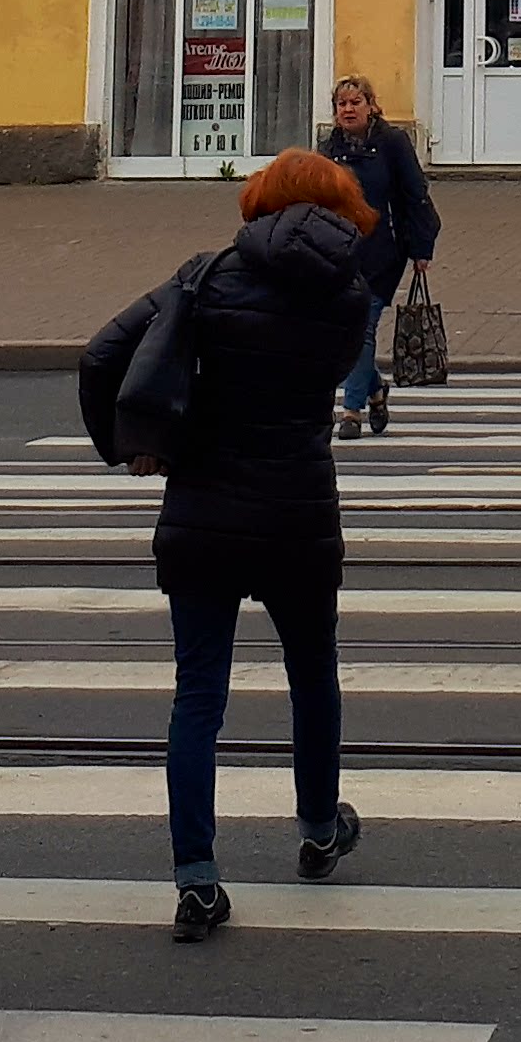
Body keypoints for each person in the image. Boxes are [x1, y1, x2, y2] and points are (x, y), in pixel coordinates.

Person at [80, 145, 373, 940]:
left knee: (198, 697)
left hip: (202, 511)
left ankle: (198, 879)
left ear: (259, 200)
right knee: (313, 676)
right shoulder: (350, 298)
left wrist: (135, 442)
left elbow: (103, 353)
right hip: (299, 513)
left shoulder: (205, 276)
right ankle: (318, 830)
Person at [320, 74, 440, 440]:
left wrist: (421, 249)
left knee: (364, 326)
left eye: (356, 102)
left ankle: (351, 411)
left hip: (383, 253)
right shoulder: (328, 149)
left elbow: (415, 195)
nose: (348, 109)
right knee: (345, 333)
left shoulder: (392, 143)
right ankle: (375, 389)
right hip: (340, 254)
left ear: (371, 105)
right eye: (342, 104)